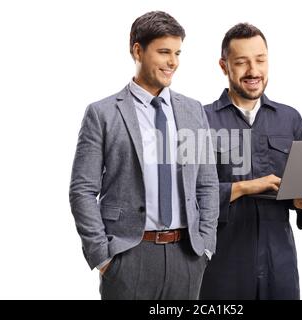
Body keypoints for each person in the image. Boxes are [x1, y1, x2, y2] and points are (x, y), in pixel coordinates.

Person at [69, 11, 219, 300]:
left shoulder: (192, 110)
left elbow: (207, 183)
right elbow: (82, 190)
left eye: (177, 53)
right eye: (164, 52)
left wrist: (206, 246)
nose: (173, 62)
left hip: (187, 256)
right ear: (137, 50)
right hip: (128, 256)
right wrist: (103, 257)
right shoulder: (103, 113)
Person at [200, 23, 302, 300]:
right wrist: (246, 187)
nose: (253, 71)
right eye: (242, 62)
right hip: (222, 265)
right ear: (224, 66)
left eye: (260, 60)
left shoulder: (290, 119)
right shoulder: (200, 121)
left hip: (278, 264)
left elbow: (300, 191)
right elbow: (187, 196)